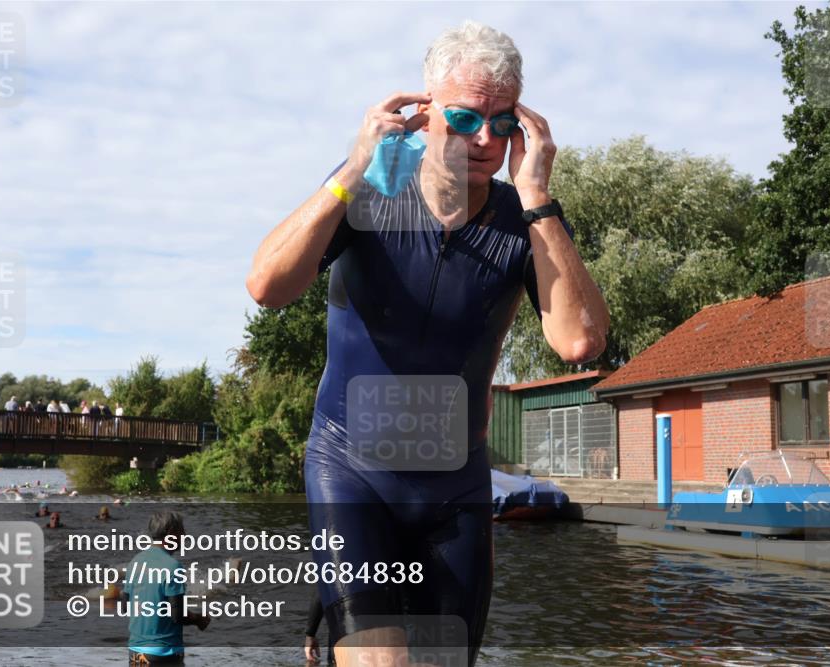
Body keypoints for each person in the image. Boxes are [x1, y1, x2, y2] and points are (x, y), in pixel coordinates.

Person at [247, 21, 608, 667]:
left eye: (502, 123)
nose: (484, 138)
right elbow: (267, 286)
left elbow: (578, 342)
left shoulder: (522, 220)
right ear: (421, 113)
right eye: (466, 116)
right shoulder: (369, 189)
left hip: (454, 486)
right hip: (351, 471)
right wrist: (356, 164)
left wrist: (536, 196)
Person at [121, 511, 209, 664]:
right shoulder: (173, 567)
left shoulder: (135, 562)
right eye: (182, 530)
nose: (185, 535)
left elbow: (125, 607)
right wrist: (198, 619)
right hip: (165, 653)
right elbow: (178, 616)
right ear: (171, 533)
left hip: (136, 652)